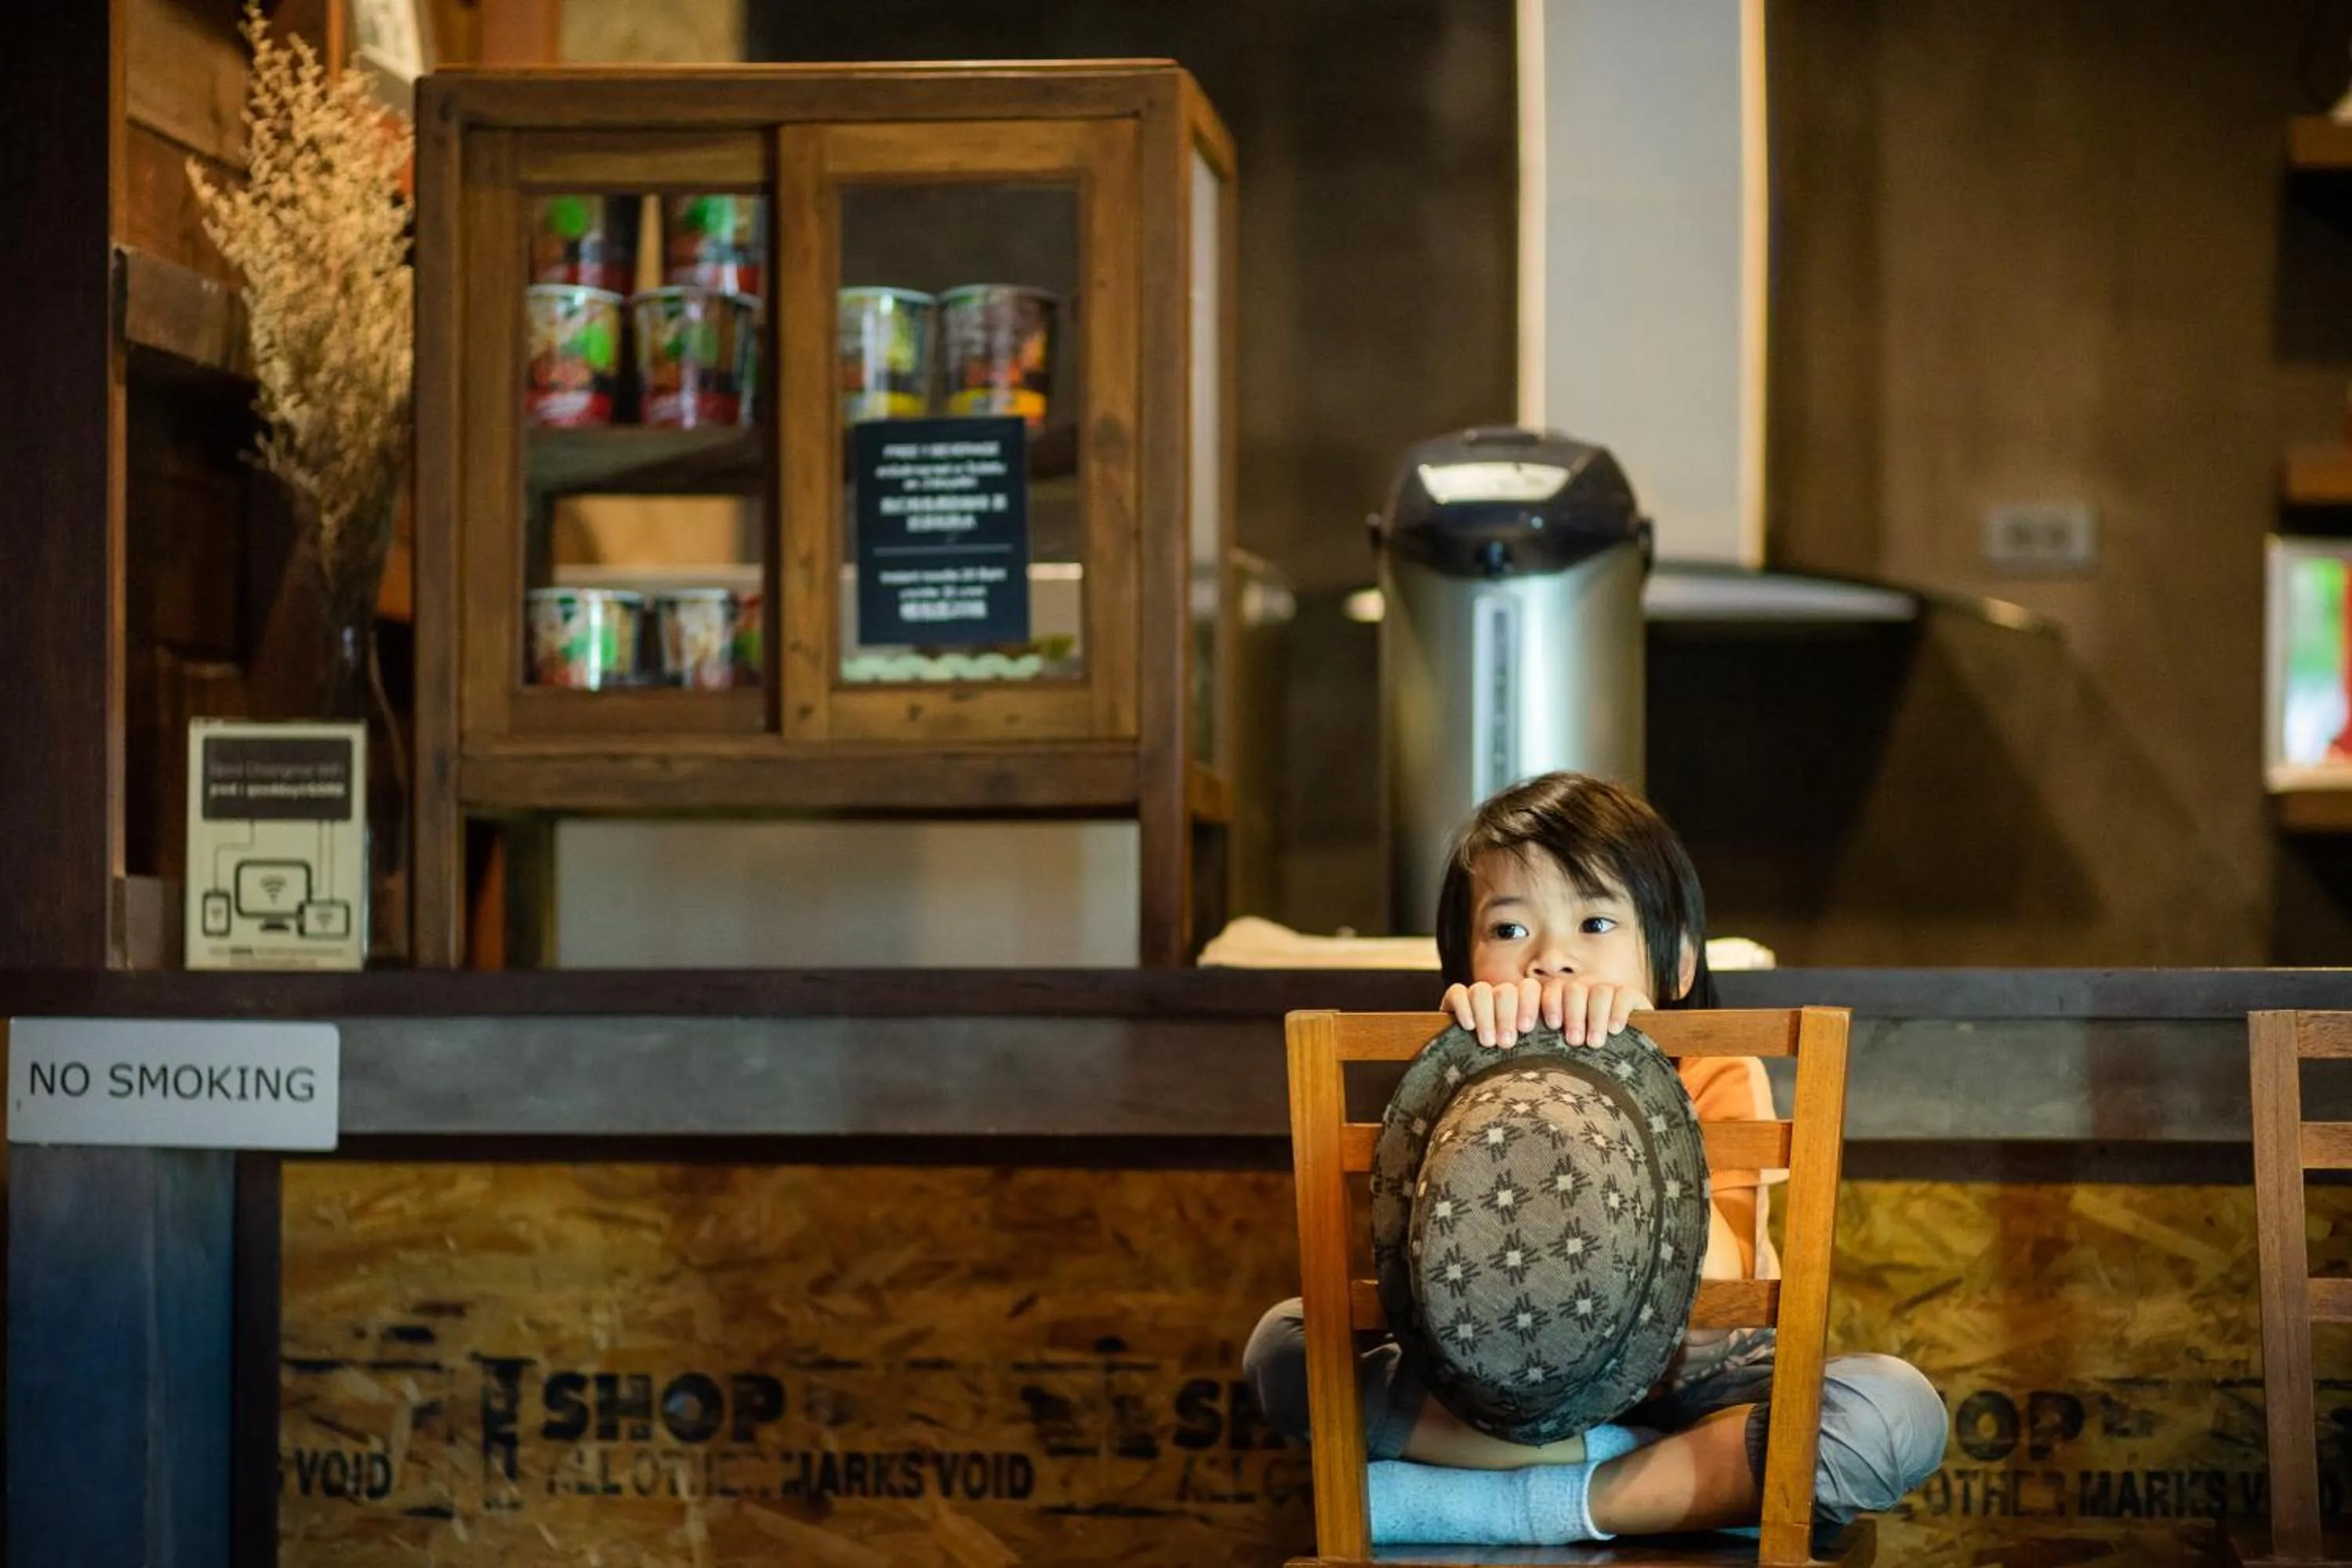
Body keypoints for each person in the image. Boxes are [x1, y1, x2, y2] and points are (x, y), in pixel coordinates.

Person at [1244, 771, 1947, 1546]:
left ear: (1676, 965)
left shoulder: (1715, 1068)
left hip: (1697, 1382)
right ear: (1465, 967)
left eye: (1596, 922)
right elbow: (1430, 1287)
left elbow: (1713, 1295)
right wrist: (1464, 1074)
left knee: (1891, 1413)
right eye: (1509, 929)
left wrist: (1633, 1079)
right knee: (1286, 1349)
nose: (1552, 960)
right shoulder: (1453, 1075)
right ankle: (1665, 1479)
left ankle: (1528, 1501)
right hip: (1503, 1383)